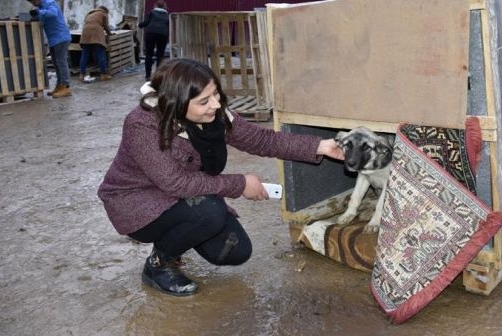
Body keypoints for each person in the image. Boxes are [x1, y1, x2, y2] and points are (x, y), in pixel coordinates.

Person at [97, 58, 344, 296]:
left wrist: (320, 146)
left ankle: (177, 233)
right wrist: (241, 184)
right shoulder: (142, 124)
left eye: (215, 94)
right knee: (210, 211)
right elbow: (176, 182)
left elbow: (262, 140)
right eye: (204, 101)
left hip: (179, 195)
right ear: (177, 102)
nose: (215, 105)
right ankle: (158, 264)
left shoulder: (216, 116)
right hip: (136, 203)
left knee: (234, 251)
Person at [27, 0, 72, 98]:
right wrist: (31, 17)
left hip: (61, 38)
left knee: (61, 63)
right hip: (53, 40)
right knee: (57, 64)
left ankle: (66, 87)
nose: (33, 4)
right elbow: (42, 18)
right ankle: (60, 86)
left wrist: (39, 12)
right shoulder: (41, 7)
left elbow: (53, 13)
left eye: (33, 1)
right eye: (31, 2)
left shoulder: (49, 3)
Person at [138, 0, 169, 81]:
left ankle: (148, 75)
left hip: (151, 33)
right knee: (160, 55)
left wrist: (139, 25)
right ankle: (158, 75)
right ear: (164, 6)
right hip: (163, 34)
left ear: (156, 5)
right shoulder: (167, 15)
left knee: (149, 54)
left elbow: (146, 22)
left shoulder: (151, 13)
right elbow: (169, 25)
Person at [79, 6, 111, 81]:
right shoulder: (103, 13)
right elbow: (106, 26)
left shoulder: (89, 13)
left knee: (84, 56)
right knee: (100, 55)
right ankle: (103, 75)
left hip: (85, 34)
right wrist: (110, 33)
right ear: (106, 11)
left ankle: (81, 75)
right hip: (96, 35)